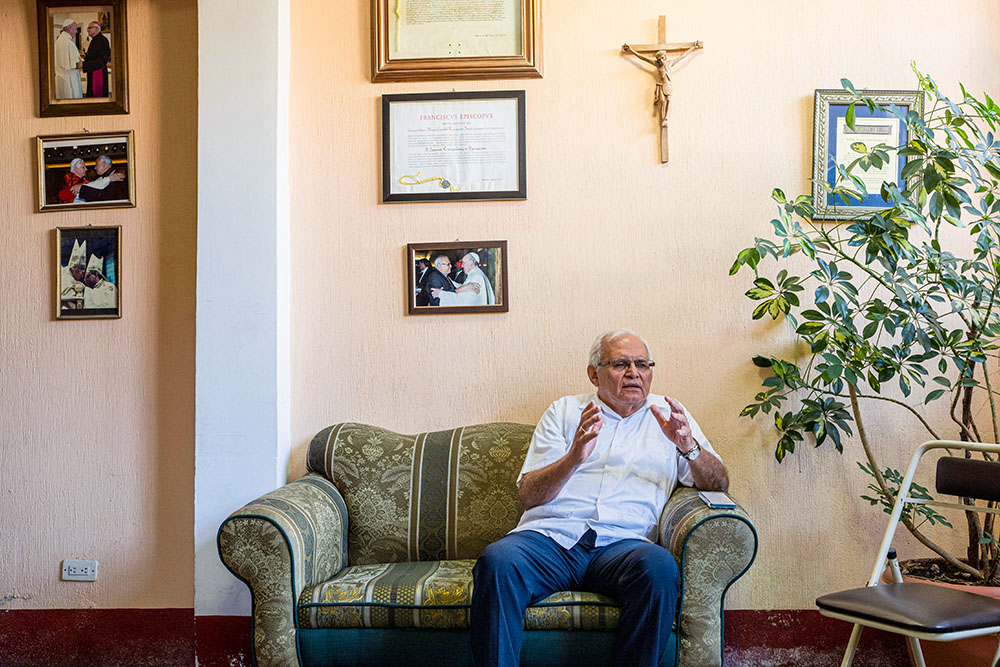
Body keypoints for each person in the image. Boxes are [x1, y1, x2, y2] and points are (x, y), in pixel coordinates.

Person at [471, 329, 729, 667]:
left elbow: (719, 483)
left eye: (642, 364)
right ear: (594, 373)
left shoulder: (669, 417)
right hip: (551, 540)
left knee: (659, 567)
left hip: (624, 546)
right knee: (498, 560)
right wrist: (574, 457)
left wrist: (688, 447)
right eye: (621, 364)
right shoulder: (565, 412)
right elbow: (529, 496)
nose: (634, 373)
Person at [54, 19, 83, 99]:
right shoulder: (69, 43)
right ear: (70, 28)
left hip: (61, 79)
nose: (76, 31)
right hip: (70, 81)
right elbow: (78, 65)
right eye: (75, 29)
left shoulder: (58, 41)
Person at [82, 20, 111, 98]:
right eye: (87, 28)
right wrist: (85, 56)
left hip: (98, 73)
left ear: (97, 29)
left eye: (89, 28)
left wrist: (83, 65)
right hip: (92, 71)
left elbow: (102, 61)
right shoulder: (94, 40)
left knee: (98, 96)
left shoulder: (103, 41)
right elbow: (92, 56)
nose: (87, 30)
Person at [59, 239, 87, 309]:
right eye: (82, 272)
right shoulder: (65, 278)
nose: (83, 276)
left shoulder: (69, 273)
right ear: (76, 271)